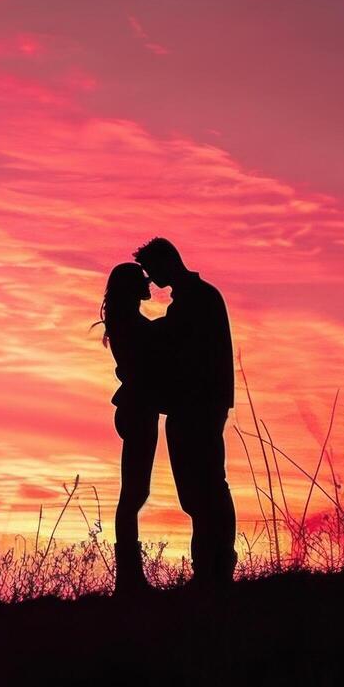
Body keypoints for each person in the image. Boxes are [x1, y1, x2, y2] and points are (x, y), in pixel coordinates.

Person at [133, 236, 238, 589]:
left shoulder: (197, 300)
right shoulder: (197, 299)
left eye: (152, 270)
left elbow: (171, 343)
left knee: (205, 485)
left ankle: (216, 566)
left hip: (198, 406)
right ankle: (210, 566)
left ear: (168, 262)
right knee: (200, 488)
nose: (151, 279)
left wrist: (133, 324)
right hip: (196, 405)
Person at [94, 261, 167, 598]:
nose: (148, 283)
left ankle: (129, 579)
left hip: (138, 409)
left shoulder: (127, 322)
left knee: (135, 493)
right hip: (138, 409)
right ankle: (128, 580)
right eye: (142, 280)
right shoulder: (131, 324)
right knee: (133, 495)